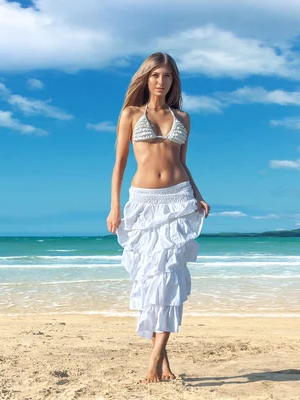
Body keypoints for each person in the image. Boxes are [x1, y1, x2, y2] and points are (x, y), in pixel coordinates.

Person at [106, 52, 210, 383]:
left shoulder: (183, 117)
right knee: (151, 281)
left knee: (170, 280)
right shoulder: (130, 114)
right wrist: (114, 206)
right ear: (146, 78)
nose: (160, 81)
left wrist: (197, 193)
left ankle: (153, 362)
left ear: (172, 82)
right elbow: (119, 163)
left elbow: (183, 160)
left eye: (166, 76)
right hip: (143, 202)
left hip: (178, 199)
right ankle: (163, 362)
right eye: (155, 75)